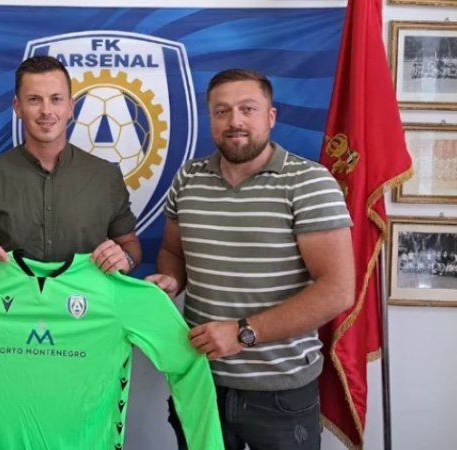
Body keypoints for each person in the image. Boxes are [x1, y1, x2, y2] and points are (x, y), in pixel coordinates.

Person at [146, 68, 355, 450]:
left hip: (280, 393)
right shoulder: (188, 178)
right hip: (201, 379)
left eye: (248, 109)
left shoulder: (309, 182)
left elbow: (337, 290)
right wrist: (172, 280)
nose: (235, 121)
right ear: (210, 118)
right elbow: (173, 252)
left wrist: (244, 332)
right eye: (222, 111)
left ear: (270, 116)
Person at [0, 55, 141, 272]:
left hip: (86, 294)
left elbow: (130, 245)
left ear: (70, 107)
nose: (46, 111)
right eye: (34, 99)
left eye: (56, 99)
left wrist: (125, 259)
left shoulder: (106, 176)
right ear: (17, 107)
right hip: (11, 294)